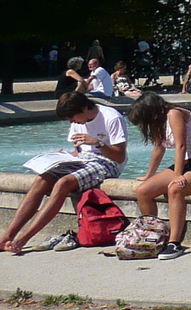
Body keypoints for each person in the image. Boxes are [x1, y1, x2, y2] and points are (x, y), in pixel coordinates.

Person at [1, 92, 128, 254]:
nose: (71, 121)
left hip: (107, 162)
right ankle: (7, 235)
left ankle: (24, 238)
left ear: (83, 108)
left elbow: (119, 156)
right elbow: (78, 151)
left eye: (71, 117)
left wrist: (98, 143)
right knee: (42, 179)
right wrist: (63, 157)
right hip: (83, 159)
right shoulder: (78, 120)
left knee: (63, 183)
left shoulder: (111, 117)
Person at [129, 92, 191, 259]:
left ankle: (174, 243)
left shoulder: (174, 113)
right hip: (187, 163)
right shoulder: (159, 121)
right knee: (143, 191)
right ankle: (155, 236)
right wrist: (148, 175)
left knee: (175, 188)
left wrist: (177, 175)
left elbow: (181, 146)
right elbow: (159, 149)